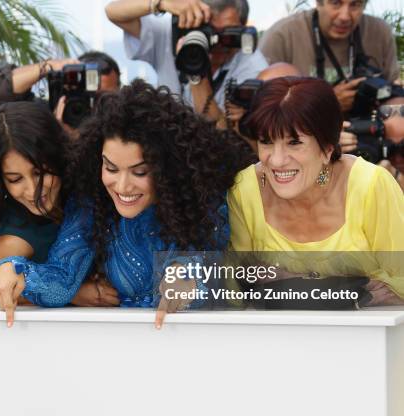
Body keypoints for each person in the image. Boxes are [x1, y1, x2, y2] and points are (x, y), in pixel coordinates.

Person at [0, 79, 253, 327]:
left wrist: (184, 278)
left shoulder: (204, 200)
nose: (122, 187)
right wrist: (18, 271)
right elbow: (62, 278)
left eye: (139, 172)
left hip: (204, 347)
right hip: (119, 350)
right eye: (111, 168)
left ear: (168, 167)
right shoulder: (91, 203)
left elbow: (204, 269)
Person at [227, 77, 404, 306]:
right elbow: (233, 294)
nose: (277, 160)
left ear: (328, 146)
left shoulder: (370, 184)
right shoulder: (246, 188)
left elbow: (401, 285)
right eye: (266, 141)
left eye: (294, 143)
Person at [0, 101, 119, 306]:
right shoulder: (11, 242)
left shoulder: (91, 186)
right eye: (15, 179)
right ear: (0, 181)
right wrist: (73, 296)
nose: (33, 190)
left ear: (58, 156)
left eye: (40, 173)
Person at [105, 0, 267, 121]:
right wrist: (162, 3)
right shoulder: (170, 35)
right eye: (208, 31)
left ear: (244, 29)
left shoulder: (254, 67)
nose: (216, 41)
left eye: (227, 34)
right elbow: (113, 12)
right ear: (190, 24)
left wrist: (196, 74)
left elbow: (223, 133)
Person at [259, 0, 400, 114]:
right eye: (336, 3)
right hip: (304, 132)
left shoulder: (380, 31)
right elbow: (263, 109)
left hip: (368, 126)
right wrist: (328, 102)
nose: (344, 16)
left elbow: (392, 91)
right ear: (318, 3)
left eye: (355, 4)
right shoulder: (282, 35)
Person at [0, 51, 121, 111]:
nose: (92, 105)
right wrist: (48, 67)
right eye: (86, 94)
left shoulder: (117, 131)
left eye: (102, 99)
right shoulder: (46, 116)